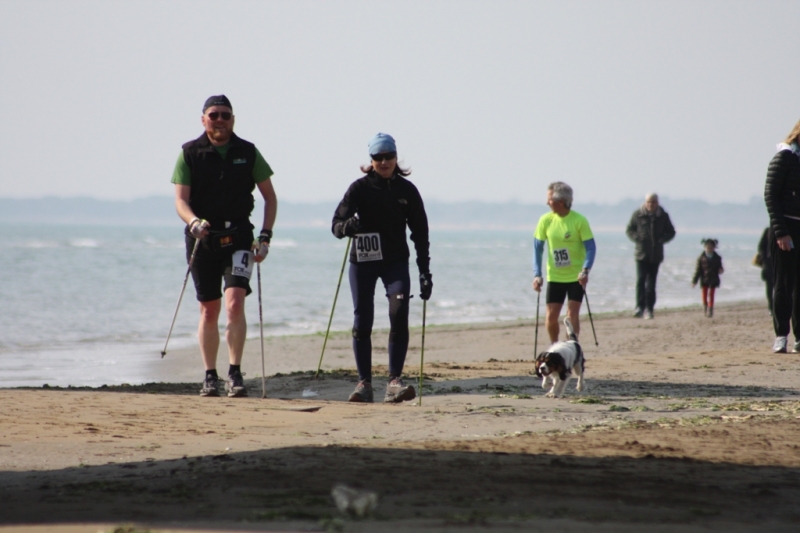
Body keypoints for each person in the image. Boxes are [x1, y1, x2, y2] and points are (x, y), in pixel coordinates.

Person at [171, 95, 278, 397]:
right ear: (203, 119)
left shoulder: (248, 151)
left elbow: (270, 197)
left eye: (225, 115)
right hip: (202, 239)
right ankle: (210, 375)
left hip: (239, 237)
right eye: (214, 115)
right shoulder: (189, 153)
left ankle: (235, 372)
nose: (220, 120)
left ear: (233, 119)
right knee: (209, 309)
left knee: (235, 304)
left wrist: (266, 236)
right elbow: (180, 201)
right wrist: (193, 221)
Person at [331, 133, 432, 404]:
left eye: (389, 156)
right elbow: (336, 226)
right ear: (371, 160)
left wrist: (425, 272)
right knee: (362, 319)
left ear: (396, 158)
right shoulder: (359, 188)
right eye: (378, 157)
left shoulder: (407, 191)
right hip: (362, 263)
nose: (384, 162)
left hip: (395, 263)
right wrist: (347, 227)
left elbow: (420, 234)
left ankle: (394, 382)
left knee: (399, 312)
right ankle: (364, 384)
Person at [532, 182, 596, 344]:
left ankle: (571, 347)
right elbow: (537, 249)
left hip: (576, 277)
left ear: (561, 201)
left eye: (549, 199)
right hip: (555, 276)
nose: (547, 202)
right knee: (551, 317)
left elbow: (591, 248)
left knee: (571, 314)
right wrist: (537, 274)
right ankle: (555, 347)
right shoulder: (545, 220)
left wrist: (585, 271)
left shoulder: (579, 220)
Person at [764, 119, 800, 353]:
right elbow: (770, 195)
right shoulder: (784, 157)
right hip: (785, 228)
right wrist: (781, 232)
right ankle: (781, 335)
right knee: (783, 285)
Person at [625, 193, 676, 320]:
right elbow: (629, 230)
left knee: (651, 283)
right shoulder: (638, 214)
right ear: (645, 202)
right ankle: (639, 308)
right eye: (649, 202)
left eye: (653, 202)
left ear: (657, 203)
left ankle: (649, 309)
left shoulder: (663, 216)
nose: (651, 204)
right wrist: (637, 238)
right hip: (641, 254)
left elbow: (671, 232)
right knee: (640, 281)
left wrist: (662, 239)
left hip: (656, 255)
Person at [692, 238, 724, 318]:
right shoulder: (701, 258)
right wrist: (694, 281)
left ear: (714, 248)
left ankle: (710, 310)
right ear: (704, 247)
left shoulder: (717, 257)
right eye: (708, 247)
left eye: (711, 247)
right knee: (704, 295)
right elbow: (698, 270)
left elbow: (720, 268)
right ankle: (705, 308)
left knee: (711, 294)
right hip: (704, 279)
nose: (709, 248)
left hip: (714, 278)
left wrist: (721, 270)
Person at [756, 227, 774, 314]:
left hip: (781, 265)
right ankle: (771, 307)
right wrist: (765, 260)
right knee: (769, 288)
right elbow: (761, 246)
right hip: (769, 265)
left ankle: (776, 307)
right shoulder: (768, 231)